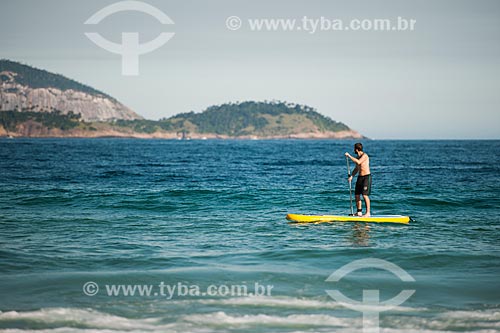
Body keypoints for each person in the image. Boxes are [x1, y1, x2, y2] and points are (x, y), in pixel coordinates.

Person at [345, 143, 371, 217]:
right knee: (357, 195)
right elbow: (357, 168)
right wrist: (352, 176)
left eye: (354, 149)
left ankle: (368, 212)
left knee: (365, 195)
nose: (354, 150)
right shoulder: (358, 157)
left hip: (366, 177)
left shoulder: (364, 156)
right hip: (360, 177)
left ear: (356, 149)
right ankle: (359, 212)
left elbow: (358, 162)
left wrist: (349, 156)